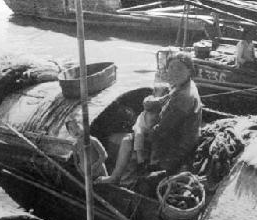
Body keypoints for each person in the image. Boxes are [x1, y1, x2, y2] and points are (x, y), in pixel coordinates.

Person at [97, 52, 202, 184]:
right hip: (181, 139)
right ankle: (127, 171)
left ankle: (117, 178)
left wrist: (140, 133)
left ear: (189, 71)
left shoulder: (183, 97)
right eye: (171, 67)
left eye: (179, 68)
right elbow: (165, 111)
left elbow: (160, 132)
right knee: (136, 131)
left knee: (126, 140)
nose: (174, 72)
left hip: (174, 150)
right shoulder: (183, 86)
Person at [65, 115, 108, 180]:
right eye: (71, 129)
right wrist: (81, 172)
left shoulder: (92, 140)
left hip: (100, 173)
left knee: (107, 187)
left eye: (77, 126)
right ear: (69, 132)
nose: (74, 130)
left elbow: (104, 155)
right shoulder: (75, 146)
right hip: (87, 176)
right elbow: (76, 163)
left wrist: (94, 166)